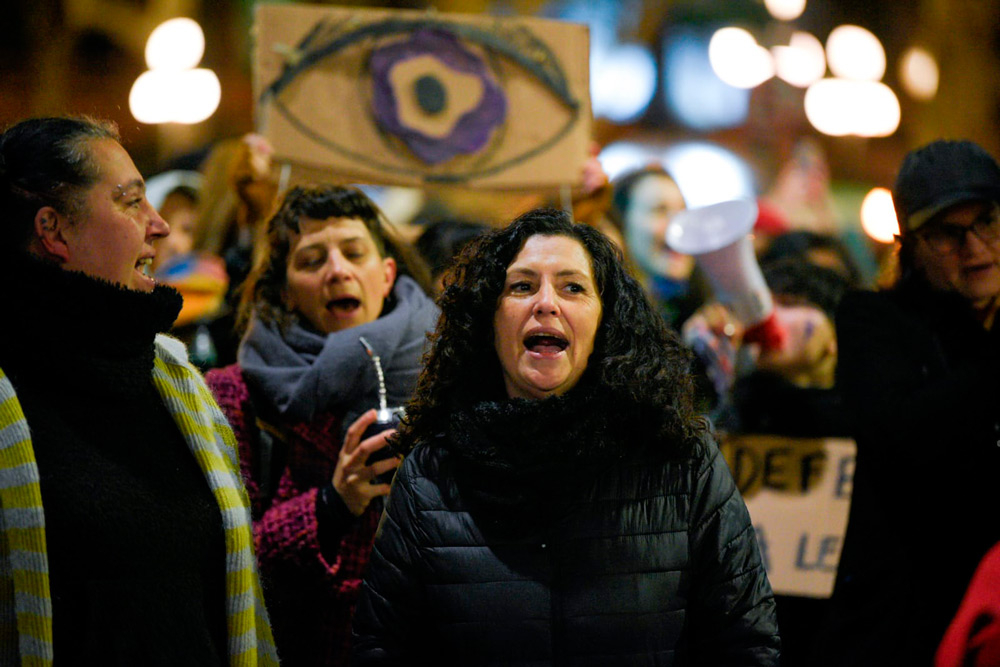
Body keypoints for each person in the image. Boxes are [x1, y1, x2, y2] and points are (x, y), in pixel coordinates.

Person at [352, 208, 781, 665]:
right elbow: (381, 647)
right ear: (488, 320)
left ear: (606, 322)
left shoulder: (682, 459)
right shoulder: (430, 474)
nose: (546, 302)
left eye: (572, 287)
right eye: (521, 286)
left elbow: (745, 643)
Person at [0, 116, 276, 664]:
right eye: (130, 203)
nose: (160, 226)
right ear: (53, 229)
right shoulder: (11, 394)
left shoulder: (174, 379)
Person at [205, 184, 438, 666]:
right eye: (312, 261)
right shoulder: (237, 396)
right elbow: (225, 560)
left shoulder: (446, 379)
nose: (337, 270)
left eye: (354, 253)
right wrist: (332, 507)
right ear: (287, 294)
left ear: (387, 274)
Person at [814, 139, 1000, 665]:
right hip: (903, 628)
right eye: (947, 233)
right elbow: (901, 433)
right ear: (910, 246)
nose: (975, 247)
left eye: (986, 221)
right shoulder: (873, 320)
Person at [611, 164, 702, 328]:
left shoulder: (694, 311)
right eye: (660, 210)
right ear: (621, 224)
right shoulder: (609, 323)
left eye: (683, 210)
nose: (679, 224)